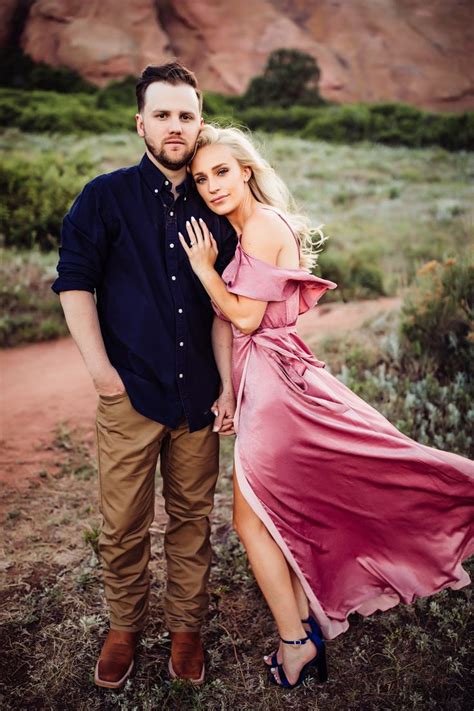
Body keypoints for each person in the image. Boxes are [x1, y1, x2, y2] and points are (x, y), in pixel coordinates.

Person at [178, 124, 474, 690]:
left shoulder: (261, 226)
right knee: (271, 515)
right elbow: (232, 322)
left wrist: (202, 270)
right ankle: (304, 629)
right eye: (201, 179)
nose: (212, 186)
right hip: (263, 386)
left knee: (251, 519)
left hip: (279, 393)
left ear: (245, 171)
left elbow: (241, 318)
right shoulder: (242, 231)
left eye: (221, 172)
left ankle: (298, 645)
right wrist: (225, 389)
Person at [52, 64, 237, 688]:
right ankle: (124, 627)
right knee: (124, 521)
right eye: (162, 114)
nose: (175, 126)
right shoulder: (104, 197)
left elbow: (226, 307)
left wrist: (228, 382)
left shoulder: (218, 204)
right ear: (141, 123)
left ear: (200, 121)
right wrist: (103, 375)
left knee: (191, 518)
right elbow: (74, 283)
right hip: (129, 390)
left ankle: (186, 629)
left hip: (198, 396)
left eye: (186, 115)